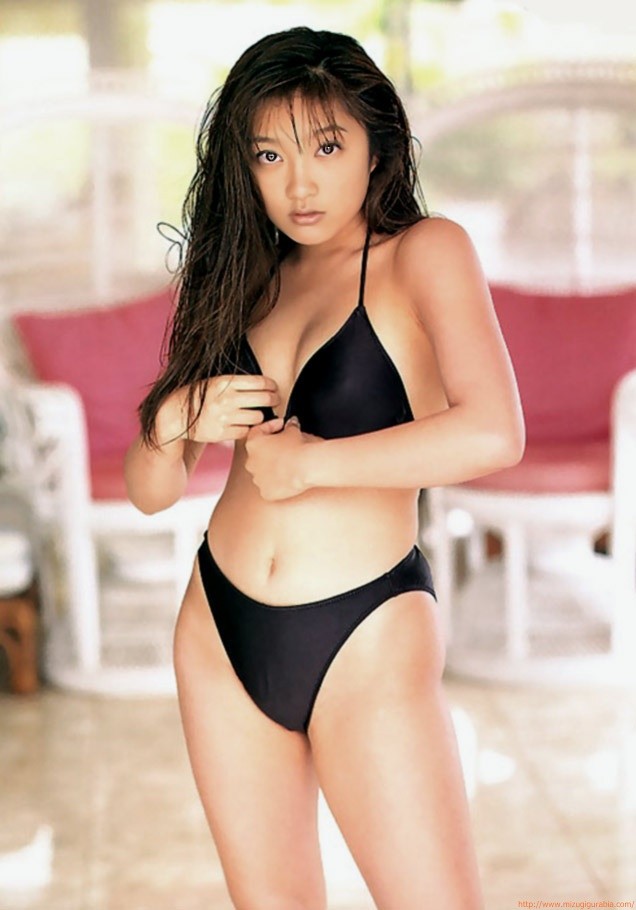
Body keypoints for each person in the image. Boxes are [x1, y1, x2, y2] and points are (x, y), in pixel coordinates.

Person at [124, 25, 524, 910]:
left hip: (366, 631)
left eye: (327, 147)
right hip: (219, 631)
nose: (299, 184)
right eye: (270, 154)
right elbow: (151, 492)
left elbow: (495, 433)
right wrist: (172, 420)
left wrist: (313, 466)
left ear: (377, 146)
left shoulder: (423, 253)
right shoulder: (239, 275)